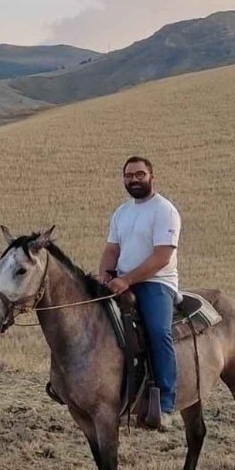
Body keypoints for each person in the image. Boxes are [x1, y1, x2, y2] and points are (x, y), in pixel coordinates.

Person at [99, 156, 183, 429]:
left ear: (151, 176)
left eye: (139, 174)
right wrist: (104, 275)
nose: (134, 179)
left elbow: (162, 257)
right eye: (129, 175)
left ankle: (167, 403)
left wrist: (127, 280)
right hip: (123, 280)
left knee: (159, 332)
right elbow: (112, 249)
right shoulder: (122, 212)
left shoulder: (164, 211)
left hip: (156, 282)